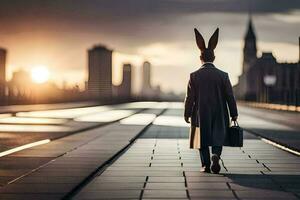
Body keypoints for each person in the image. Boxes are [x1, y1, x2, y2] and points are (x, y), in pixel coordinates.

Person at [184, 28, 238, 174]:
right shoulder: (223, 76)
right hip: (220, 112)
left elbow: (190, 98)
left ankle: (206, 165)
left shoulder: (194, 76)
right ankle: (216, 155)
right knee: (218, 136)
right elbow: (230, 96)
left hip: (200, 112)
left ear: (200, 57)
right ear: (214, 58)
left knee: (201, 138)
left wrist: (187, 113)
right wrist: (234, 113)